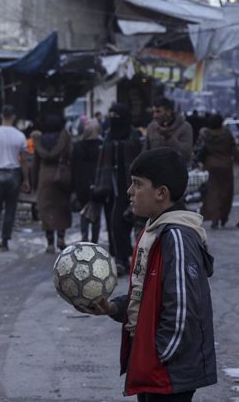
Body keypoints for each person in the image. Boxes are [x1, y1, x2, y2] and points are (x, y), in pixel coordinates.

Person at [82, 147, 217, 401]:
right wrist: (113, 308)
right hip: (152, 368)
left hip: (168, 374)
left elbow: (182, 310)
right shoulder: (152, 231)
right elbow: (145, 296)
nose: (129, 192)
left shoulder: (176, 237)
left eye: (137, 184)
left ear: (161, 193)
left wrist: (158, 355)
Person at [93, 103, 142, 276]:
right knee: (115, 223)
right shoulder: (108, 136)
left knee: (134, 222)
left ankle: (137, 258)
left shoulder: (133, 135)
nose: (113, 119)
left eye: (116, 115)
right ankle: (120, 258)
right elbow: (102, 160)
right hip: (112, 187)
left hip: (132, 185)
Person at [0, 105, 30, 251]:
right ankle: (5, 241)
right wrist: (26, 179)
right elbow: (23, 160)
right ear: (13, 117)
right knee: (10, 208)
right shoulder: (20, 136)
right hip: (14, 173)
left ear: (1, 116)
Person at [31, 114, 72, 253]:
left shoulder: (39, 140)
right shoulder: (64, 138)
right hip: (60, 175)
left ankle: (50, 242)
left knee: (46, 208)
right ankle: (61, 237)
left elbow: (35, 163)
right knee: (62, 207)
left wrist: (33, 182)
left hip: (44, 176)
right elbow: (70, 155)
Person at [195, 113, 239, 229]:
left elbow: (202, 149)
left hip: (212, 166)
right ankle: (223, 217)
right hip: (226, 166)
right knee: (226, 193)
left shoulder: (207, 134)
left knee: (213, 192)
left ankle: (214, 218)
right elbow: (234, 149)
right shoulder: (227, 134)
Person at [71, 119, 102, 243]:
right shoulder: (101, 146)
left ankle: (84, 237)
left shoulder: (77, 146)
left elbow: (73, 168)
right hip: (98, 184)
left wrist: (73, 187)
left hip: (81, 184)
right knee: (97, 213)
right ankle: (95, 240)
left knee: (84, 213)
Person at [143, 97, 193, 163]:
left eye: (158, 111)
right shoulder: (151, 127)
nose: (154, 116)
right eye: (153, 112)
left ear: (169, 111)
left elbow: (186, 155)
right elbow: (144, 153)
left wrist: (168, 137)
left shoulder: (185, 127)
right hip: (155, 170)